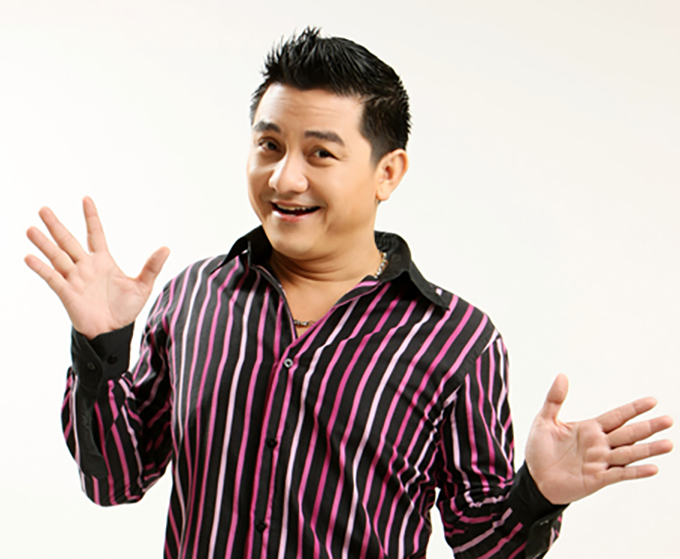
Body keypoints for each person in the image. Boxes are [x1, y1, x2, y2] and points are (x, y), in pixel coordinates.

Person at [25, 28, 672, 559]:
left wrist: (537, 494)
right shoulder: (191, 298)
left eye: (320, 154)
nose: (285, 178)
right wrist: (100, 345)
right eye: (269, 145)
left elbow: (482, 543)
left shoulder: (458, 341)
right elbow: (114, 480)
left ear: (387, 172)